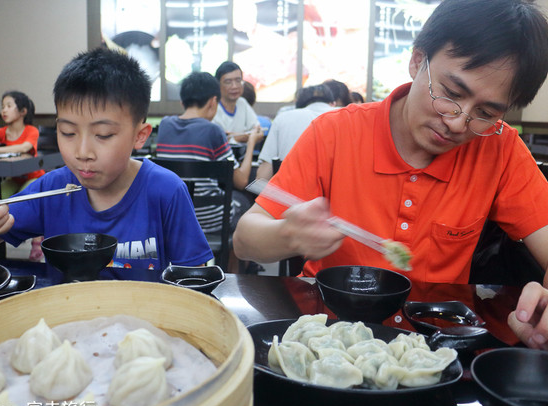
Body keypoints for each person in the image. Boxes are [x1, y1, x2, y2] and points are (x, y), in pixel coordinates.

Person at [234, 0, 548, 350]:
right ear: (417, 62)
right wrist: (288, 234)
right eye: (451, 93)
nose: (459, 122)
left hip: (434, 347)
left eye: (486, 112)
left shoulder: (500, 149)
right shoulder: (336, 133)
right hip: (328, 339)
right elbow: (246, 238)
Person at [0, 47, 213, 270]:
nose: (82, 152)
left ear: (140, 136)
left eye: (103, 135)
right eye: (68, 132)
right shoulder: (52, 189)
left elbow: (193, 274)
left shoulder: (165, 190)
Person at [156, 71, 263, 233]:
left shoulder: (165, 125)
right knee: (245, 201)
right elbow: (241, 181)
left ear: (182, 102)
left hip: (172, 215)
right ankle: (228, 257)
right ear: (213, 102)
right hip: (208, 218)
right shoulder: (213, 130)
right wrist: (251, 143)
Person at [0, 91, 45, 261]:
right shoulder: (1, 132)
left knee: (25, 200)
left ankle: (37, 241)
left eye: (9, 106)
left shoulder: (32, 131)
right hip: (13, 177)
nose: (4, 110)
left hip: (33, 176)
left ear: (22, 111)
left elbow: (23, 148)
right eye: (2, 107)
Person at [256, 84, 335, 181]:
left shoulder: (283, 118)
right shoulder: (345, 117)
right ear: (333, 103)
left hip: (291, 192)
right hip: (339, 192)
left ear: (297, 105)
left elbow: (262, 177)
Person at [212, 61, 264, 145]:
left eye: (238, 80)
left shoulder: (242, 103)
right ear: (218, 85)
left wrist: (234, 136)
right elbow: (218, 140)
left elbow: (258, 132)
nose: (234, 86)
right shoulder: (212, 107)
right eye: (228, 82)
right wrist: (247, 136)